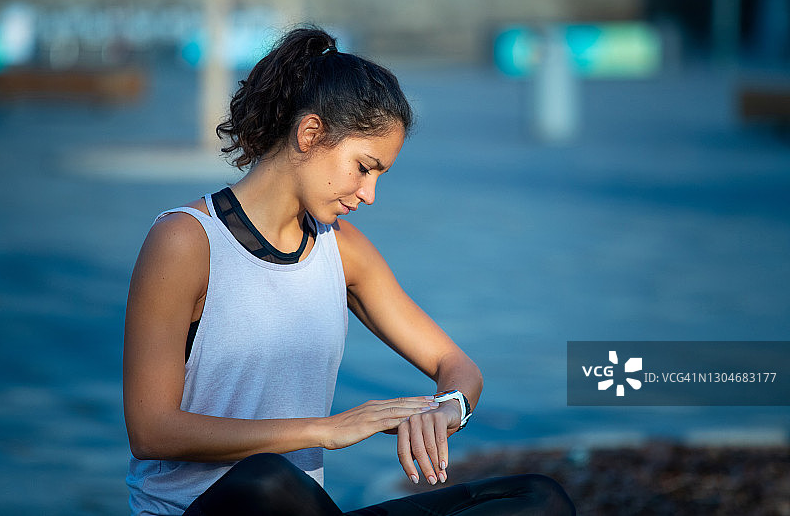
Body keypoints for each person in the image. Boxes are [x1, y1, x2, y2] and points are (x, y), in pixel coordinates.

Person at [123, 26, 575, 516]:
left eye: (379, 175)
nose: (369, 194)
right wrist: (327, 429)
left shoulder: (342, 250)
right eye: (365, 166)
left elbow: (458, 367)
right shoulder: (186, 241)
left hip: (304, 511)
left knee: (538, 499)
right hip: (208, 509)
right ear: (311, 133)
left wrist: (449, 408)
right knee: (267, 479)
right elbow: (152, 431)